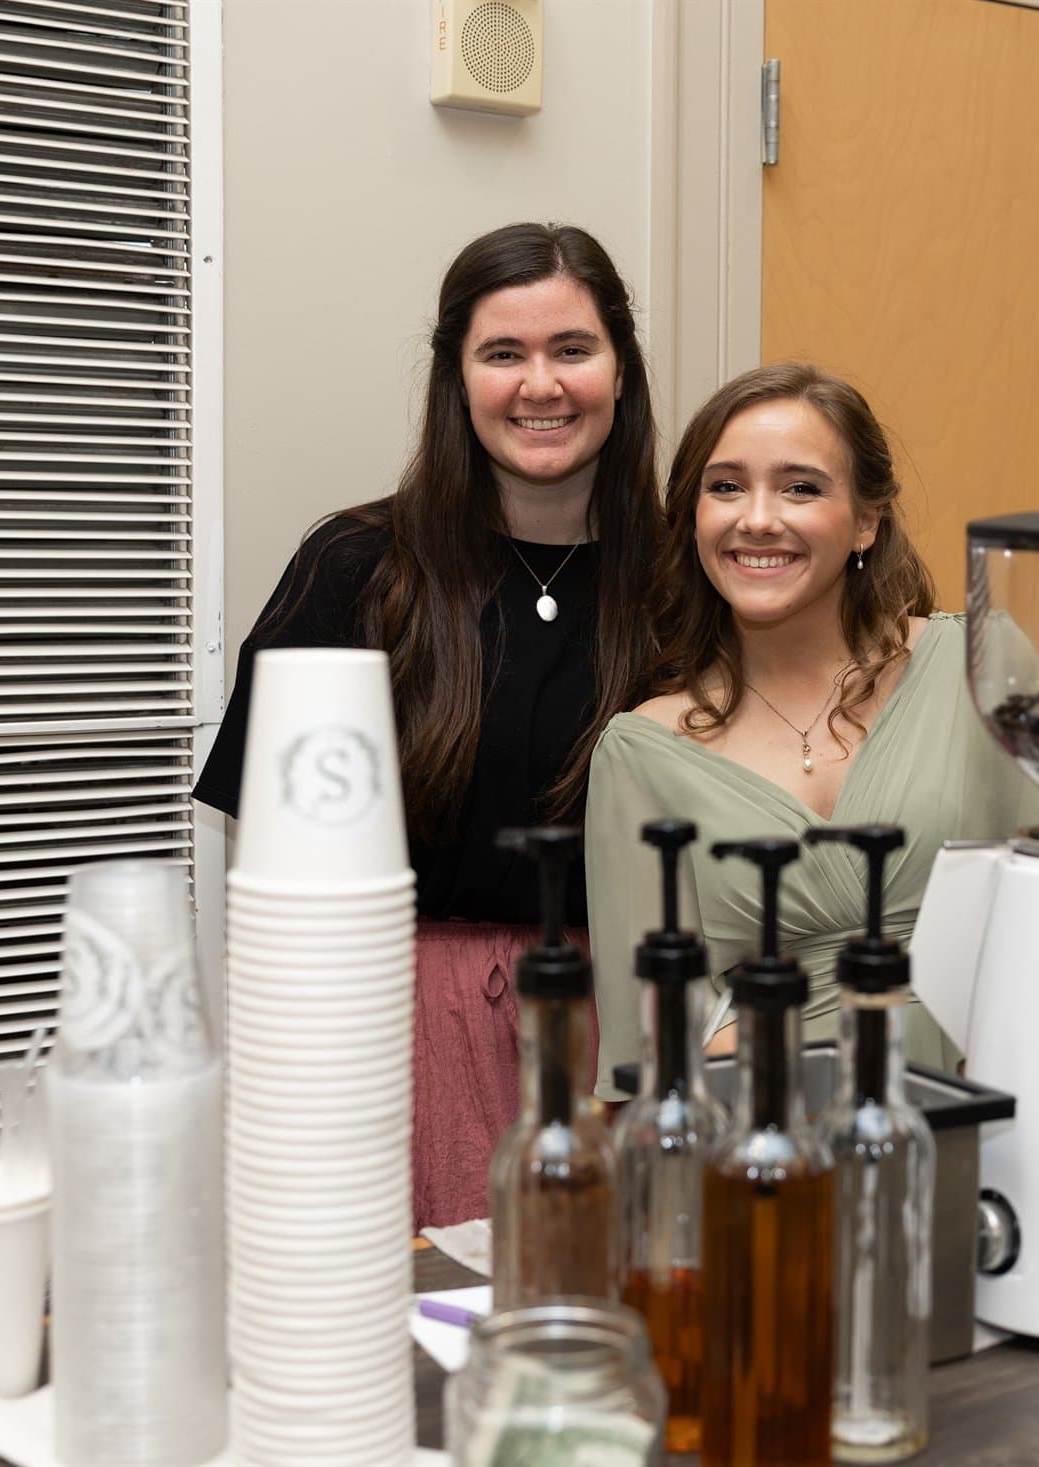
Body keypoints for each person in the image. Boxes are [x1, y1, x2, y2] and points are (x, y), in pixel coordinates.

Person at [195, 223, 662, 1224]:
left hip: (633, 1036)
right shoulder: (357, 571)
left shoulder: (682, 583)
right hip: (396, 1034)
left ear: (621, 369)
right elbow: (270, 859)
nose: (541, 384)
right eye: (503, 354)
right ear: (456, 379)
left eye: (572, 349)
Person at [584, 363, 1039, 1097]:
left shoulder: (980, 667)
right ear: (692, 518)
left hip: (1002, 1113)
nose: (757, 518)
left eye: (801, 487)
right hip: (771, 1148)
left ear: (867, 519)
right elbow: (650, 1045)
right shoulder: (642, 752)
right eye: (726, 486)